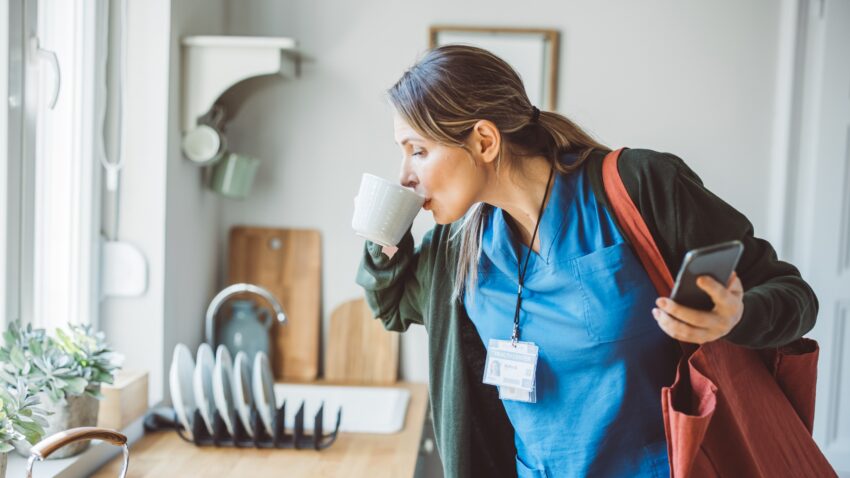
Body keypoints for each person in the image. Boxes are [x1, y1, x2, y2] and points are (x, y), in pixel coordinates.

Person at [355, 45, 817, 478]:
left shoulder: (638, 188)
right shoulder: (460, 245)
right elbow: (393, 308)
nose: (405, 175)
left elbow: (794, 298)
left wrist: (736, 318)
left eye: (418, 150)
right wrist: (384, 232)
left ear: (483, 141)